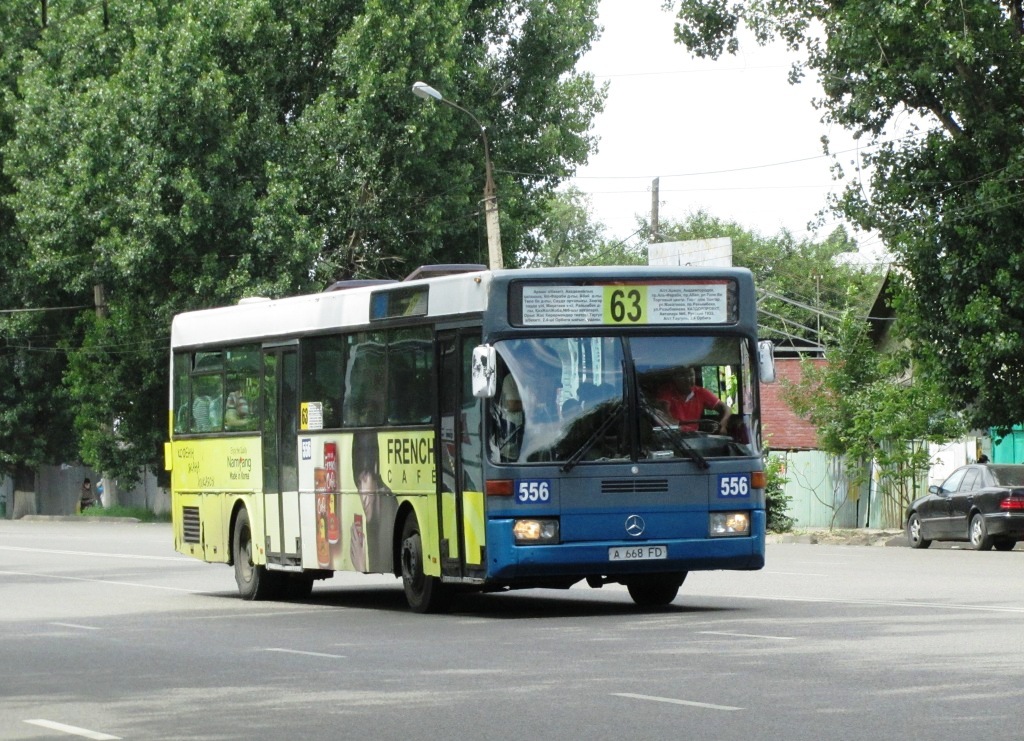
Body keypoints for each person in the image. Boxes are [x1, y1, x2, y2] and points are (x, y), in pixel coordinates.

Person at [656, 366, 731, 433]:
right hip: (673, 436)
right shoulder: (666, 392)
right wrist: (680, 426)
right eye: (683, 376)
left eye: (691, 375)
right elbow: (666, 418)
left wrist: (723, 424)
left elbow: (726, 408)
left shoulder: (701, 392)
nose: (688, 379)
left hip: (694, 437)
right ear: (675, 377)